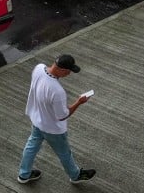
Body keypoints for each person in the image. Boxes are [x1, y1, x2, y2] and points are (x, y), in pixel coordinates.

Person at [17, 54, 96, 185]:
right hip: (52, 129)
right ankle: (75, 176)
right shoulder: (57, 91)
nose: (69, 74)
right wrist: (79, 102)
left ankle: (24, 174)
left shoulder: (39, 68)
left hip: (37, 121)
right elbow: (62, 115)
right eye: (69, 71)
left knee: (31, 147)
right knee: (64, 153)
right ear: (62, 70)